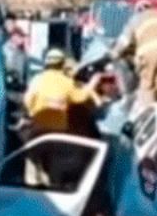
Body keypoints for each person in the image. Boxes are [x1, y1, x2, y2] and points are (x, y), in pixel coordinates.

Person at [23, 48, 101, 186]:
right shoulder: (67, 82)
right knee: (54, 161)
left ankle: (32, 183)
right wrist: (93, 83)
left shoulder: (37, 79)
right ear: (62, 64)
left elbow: (28, 100)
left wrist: (32, 112)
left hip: (38, 129)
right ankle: (53, 185)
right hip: (58, 132)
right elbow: (80, 97)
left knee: (32, 157)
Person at [111, 0, 157, 107]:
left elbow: (124, 41)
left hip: (148, 53)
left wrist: (114, 53)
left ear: (138, 10)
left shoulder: (136, 19)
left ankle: (146, 114)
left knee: (147, 87)